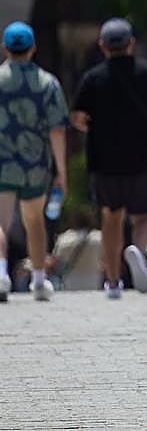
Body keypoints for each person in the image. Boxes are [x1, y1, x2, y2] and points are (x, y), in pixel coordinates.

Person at [70, 17, 147, 299]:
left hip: (105, 160)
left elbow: (78, 117)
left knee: (111, 218)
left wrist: (95, 128)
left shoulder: (92, 79)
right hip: (143, 157)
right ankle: (139, 253)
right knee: (144, 216)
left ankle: (114, 281)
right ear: (131, 43)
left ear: (102, 46)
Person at [0, 21, 69, 302]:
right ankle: (39, 280)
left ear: (5, 48)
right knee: (34, 221)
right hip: (35, 164)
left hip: (2, 161)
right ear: (33, 48)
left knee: (0, 223)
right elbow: (57, 129)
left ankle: (1, 274)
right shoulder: (47, 83)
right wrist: (60, 170)